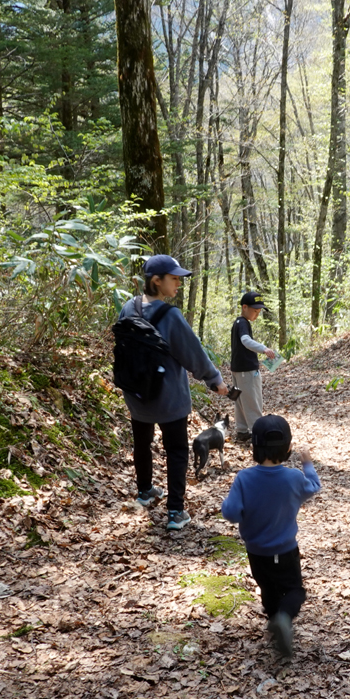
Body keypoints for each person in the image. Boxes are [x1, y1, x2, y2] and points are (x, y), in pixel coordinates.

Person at [118, 254, 228, 530]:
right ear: (156, 281)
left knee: (141, 443)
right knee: (177, 450)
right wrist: (214, 379)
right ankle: (176, 512)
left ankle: (144, 492)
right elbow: (193, 353)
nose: (178, 284)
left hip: (136, 394)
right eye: (174, 278)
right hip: (169, 398)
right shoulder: (171, 316)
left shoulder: (127, 308)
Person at [220, 415, 319, 657]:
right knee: (295, 591)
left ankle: (277, 623)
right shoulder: (294, 478)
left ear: (255, 447)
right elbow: (314, 487)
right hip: (285, 550)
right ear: (288, 448)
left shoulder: (244, 478)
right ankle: (284, 619)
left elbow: (231, 513)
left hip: (257, 553)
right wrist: (307, 464)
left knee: (268, 590)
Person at [230, 291, 276, 443]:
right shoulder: (243, 323)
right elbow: (245, 340)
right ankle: (259, 435)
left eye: (259, 312)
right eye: (255, 311)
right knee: (252, 401)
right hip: (247, 371)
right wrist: (264, 349)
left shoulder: (238, 322)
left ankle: (242, 431)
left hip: (237, 370)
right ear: (244, 307)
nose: (257, 315)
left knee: (240, 401)